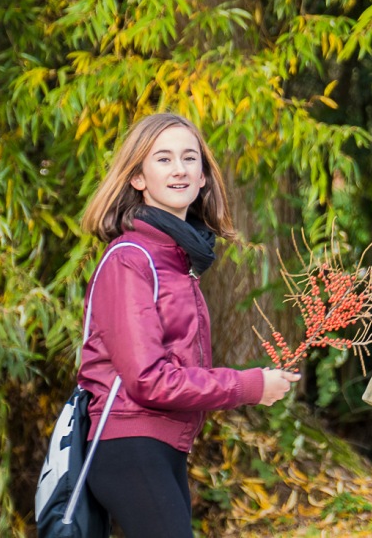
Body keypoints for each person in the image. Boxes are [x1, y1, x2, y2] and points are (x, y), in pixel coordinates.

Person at [77, 113, 300, 538]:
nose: (179, 169)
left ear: (203, 179)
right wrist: (249, 386)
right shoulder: (131, 258)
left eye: (189, 158)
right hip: (128, 442)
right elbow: (148, 380)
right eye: (163, 159)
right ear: (137, 178)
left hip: (161, 445)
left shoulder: (177, 261)